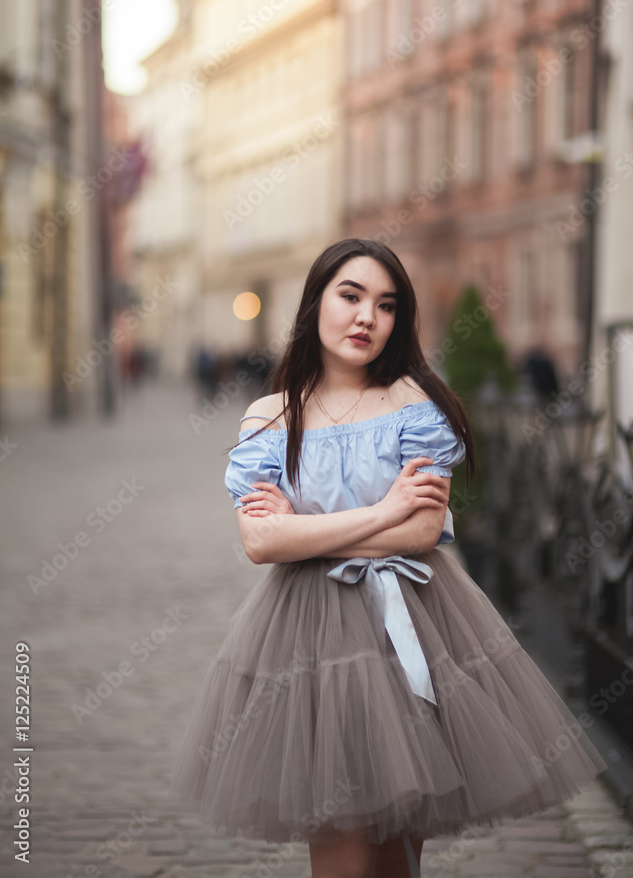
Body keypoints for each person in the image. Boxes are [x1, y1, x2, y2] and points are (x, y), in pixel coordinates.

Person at [168, 239, 607, 878]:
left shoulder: (410, 403)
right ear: (315, 302)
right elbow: (261, 543)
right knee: (341, 851)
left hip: (418, 627)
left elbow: (422, 532)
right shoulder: (270, 417)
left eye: (386, 304)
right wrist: (380, 513)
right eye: (350, 296)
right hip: (307, 638)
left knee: (397, 857)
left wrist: (312, 532)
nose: (366, 316)